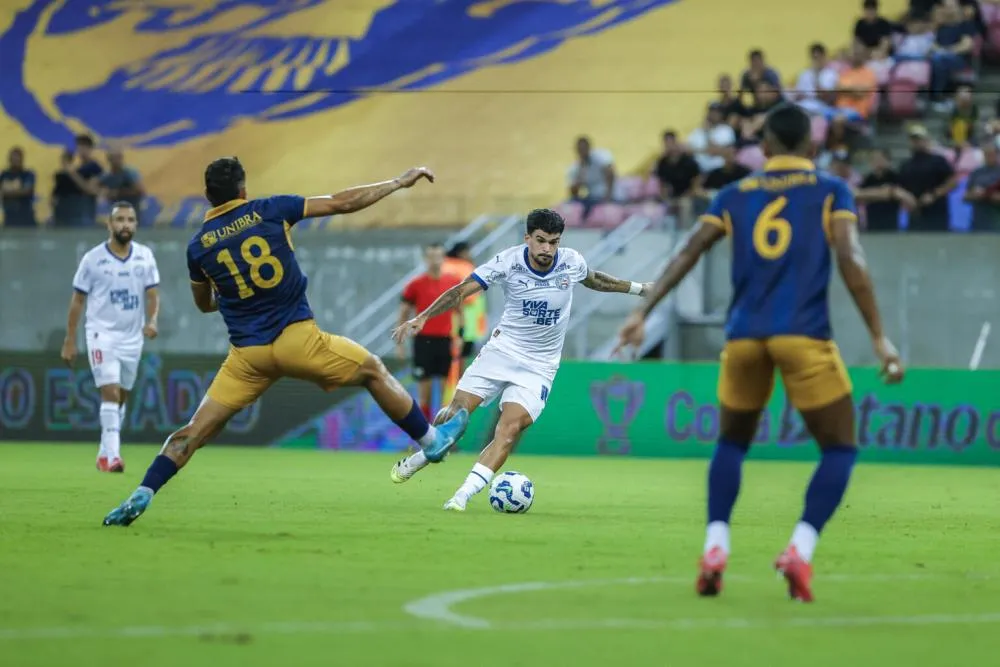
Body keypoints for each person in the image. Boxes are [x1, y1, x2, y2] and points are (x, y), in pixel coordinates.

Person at [616, 103, 904, 602]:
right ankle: (799, 548)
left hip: (744, 337)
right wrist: (879, 336)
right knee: (839, 448)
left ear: (764, 148)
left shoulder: (733, 194)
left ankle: (715, 545)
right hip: (804, 335)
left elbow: (688, 251)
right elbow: (850, 258)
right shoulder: (831, 190)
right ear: (812, 149)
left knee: (731, 444)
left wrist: (644, 310)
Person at [102, 159, 468, 526]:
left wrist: (232, 294)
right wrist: (398, 182)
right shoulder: (270, 210)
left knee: (193, 432)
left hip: (248, 357)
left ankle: (142, 493)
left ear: (207, 196)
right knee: (373, 370)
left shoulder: (198, 247)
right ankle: (431, 441)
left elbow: (204, 304)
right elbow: (342, 203)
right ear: (243, 190)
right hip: (297, 340)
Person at [390, 208, 652, 511]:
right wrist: (422, 318)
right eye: (540, 241)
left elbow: (596, 280)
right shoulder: (508, 261)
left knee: (509, 429)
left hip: (539, 367)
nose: (546, 249)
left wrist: (639, 288)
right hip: (501, 353)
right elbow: (461, 291)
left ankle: (461, 496)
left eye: (553, 242)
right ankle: (426, 454)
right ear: (527, 237)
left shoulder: (571, 261)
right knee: (456, 417)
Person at [61, 202, 160, 472]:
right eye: (119, 219)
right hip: (101, 334)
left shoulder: (145, 257)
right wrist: (70, 339)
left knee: (122, 396)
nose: (125, 224)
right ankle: (113, 457)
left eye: (130, 219)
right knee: (110, 392)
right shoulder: (93, 259)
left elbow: (152, 295)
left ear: (136, 225)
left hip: (132, 338)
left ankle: (104, 452)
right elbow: (77, 301)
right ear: (109, 224)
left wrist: (152, 320)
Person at [398, 243, 461, 420]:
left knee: (443, 394)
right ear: (426, 259)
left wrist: (460, 336)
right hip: (423, 341)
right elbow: (404, 311)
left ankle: (439, 434)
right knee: (423, 394)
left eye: (439, 256)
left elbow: (460, 310)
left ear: (444, 258)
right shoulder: (415, 284)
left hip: (444, 341)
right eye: (431, 256)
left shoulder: (452, 282)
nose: (435, 260)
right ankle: (424, 437)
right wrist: (400, 342)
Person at [0, 147, 37, 227]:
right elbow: (2, 192)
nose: (16, 160)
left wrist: (9, 190)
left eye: (18, 158)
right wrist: (17, 188)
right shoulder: (4, 175)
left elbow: (27, 191)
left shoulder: (28, 174)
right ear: (10, 159)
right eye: (14, 158)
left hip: (26, 218)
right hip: (10, 218)